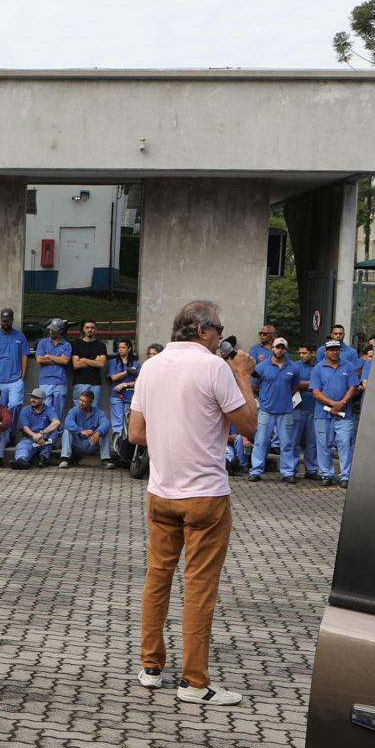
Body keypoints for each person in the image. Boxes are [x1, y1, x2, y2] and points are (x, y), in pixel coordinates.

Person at [128, 299, 256, 706]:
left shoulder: (151, 366)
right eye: (218, 328)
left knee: (157, 579)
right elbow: (249, 424)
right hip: (205, 496)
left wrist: (175, 434)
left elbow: (136, 433)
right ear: (202, 331)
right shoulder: (214, 366)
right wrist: (242, 376)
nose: (221, 335)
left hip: (161, 492)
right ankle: (195, 682)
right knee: (199, 588)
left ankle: (151, 666)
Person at [249, 339, 307, 483]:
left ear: (286, 350)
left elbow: (294, 387)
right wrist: (265, 396)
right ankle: (256, 470)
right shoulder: (261, 366)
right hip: (266, 410)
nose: (279, 350)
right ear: (272, 349)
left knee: (286, 443)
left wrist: (285, 397)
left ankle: (288, 472)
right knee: (261, 441)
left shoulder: (293, 368)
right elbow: (254, 386)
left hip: (285, 410)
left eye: (282, 348)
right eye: (277, 347)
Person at [309, 340, 361, 488]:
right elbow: (316, 393)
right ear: (325, 351)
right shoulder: (319, 368)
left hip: (344, 414)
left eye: (337, 349)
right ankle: (326, 474)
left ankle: (345, 476)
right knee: (323, 445)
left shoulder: (348, 366)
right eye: (331, 349)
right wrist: (334, 404)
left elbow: (353, 387)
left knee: (344, 443)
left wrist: (342, 403)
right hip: (323, 413)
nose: (334, 352)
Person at [68, 320, 108, 447]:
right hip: (79, 384)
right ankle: (78, 443)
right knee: (79, 413)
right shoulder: (77, 344)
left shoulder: (101, 346)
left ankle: (92, 444)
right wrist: (92, 361)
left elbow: (101, 364)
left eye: (92, 327)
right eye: (87, 327)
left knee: (93, 413)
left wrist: (84, 359)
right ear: (83, 329)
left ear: (96, 329)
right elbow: (75, 364)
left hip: (95, 384)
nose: (90, 329)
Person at [33, 319, 73, 438]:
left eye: (54, 330)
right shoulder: (42, 343)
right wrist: (58, 359)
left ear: (61, 331)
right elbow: (39, 359)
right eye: (50, 329)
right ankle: (46, 436)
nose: (51, 331)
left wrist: (49, 356)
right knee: (45, 410)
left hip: (60, 382)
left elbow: (65, 361)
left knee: (58, 411)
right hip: (45, 381)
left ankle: (57, 437)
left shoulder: (66, 345)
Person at [0, 307, 31, 409]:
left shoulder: (20, 336)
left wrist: (22, 378)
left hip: (16, 380)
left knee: (14, 405)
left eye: (8, 321)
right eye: (3, 321)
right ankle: (1, 426)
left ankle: (12, 426)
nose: (5, 323)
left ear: (12, 320)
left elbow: (24, 357)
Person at [11, 389, 60, 467]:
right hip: (30, 439)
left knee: (54, 432)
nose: (33, 399)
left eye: (36, 398)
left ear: (43, 400)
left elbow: (56, 422)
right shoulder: (25, 410)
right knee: (21, 446)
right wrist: (35, 436)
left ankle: (43, 458)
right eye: (32, 397)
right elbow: (25, 428)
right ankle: (21, 461)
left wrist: (42, 433)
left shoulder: (49, 409)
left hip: (44, 438)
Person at [61, 388, 110, 467]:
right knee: (67, 431)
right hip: (77, 443)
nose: (81, 403)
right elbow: (67, 423)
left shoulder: (99, 413)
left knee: (105, 432)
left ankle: (105, 460)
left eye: (84, 401)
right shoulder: (73, 411)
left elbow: (106, 424)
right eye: (80, 400)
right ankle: (65, 459)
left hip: (91, 443)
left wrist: (98, 432)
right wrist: (80, 431)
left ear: (91, 402)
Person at [106, 339, 140, 445]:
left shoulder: (136, 364)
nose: (121, 350)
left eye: (123, 347)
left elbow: (138, 382)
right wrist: (128, 372)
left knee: (129, 421)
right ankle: (117, 443)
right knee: (117, 422)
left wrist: (124, 384)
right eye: (119, 348)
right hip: (116, 395)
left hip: (130, 395)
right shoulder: (113, 363)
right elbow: (114, 377)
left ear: (129, 348)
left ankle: (127, 444)